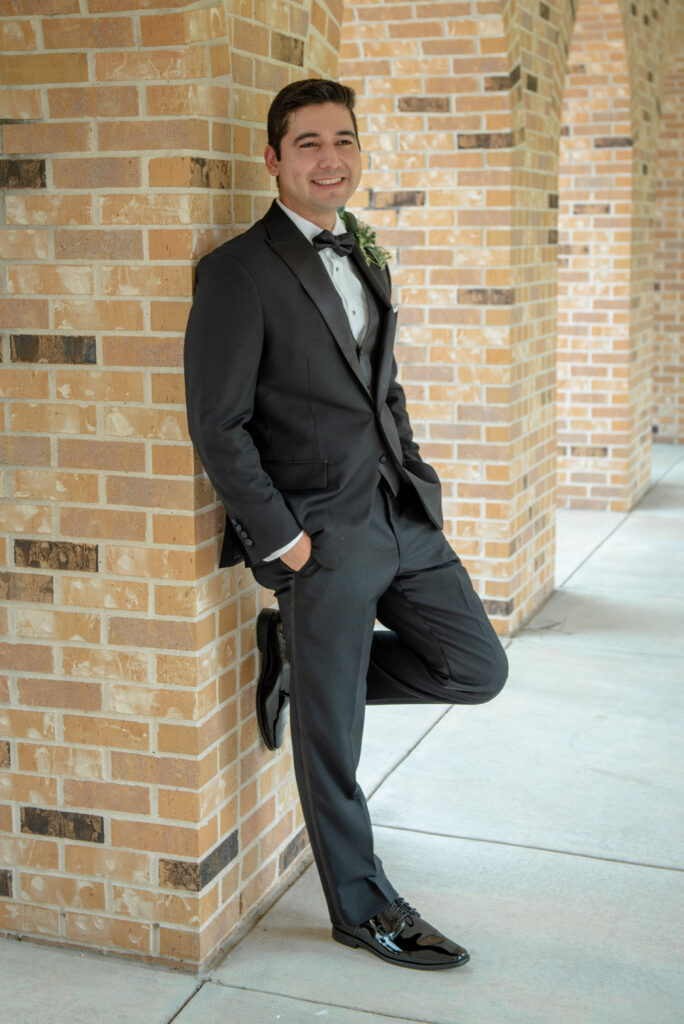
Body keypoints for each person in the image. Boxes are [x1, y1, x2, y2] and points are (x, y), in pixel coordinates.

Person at [184, 78, 508, 971]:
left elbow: (382, 384)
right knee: (334, 746)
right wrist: (281, 540)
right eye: (308, 144)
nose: (331, 159)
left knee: (477, 667)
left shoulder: (360, 248)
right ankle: (361, 908)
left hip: (400, 516)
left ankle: (298, 668)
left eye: (344, 141)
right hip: (319, 538)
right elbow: (218, 423)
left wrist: (418, 474)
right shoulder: (238, 271)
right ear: (273, 158)